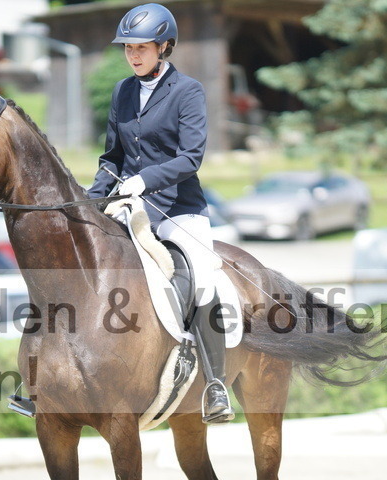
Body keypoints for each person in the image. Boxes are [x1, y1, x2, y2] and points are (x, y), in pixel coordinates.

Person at [87, 2, 232, 424]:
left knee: (204, 280)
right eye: (128, 48)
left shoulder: (188, 91)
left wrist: (145, 180)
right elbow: (112, 157)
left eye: (142, 47)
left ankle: (216, 385)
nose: (133, 55)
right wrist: (91, 197)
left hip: (177, 208)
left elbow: (191, 158)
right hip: (126, 204)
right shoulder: (122, 91)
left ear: (164, 46)